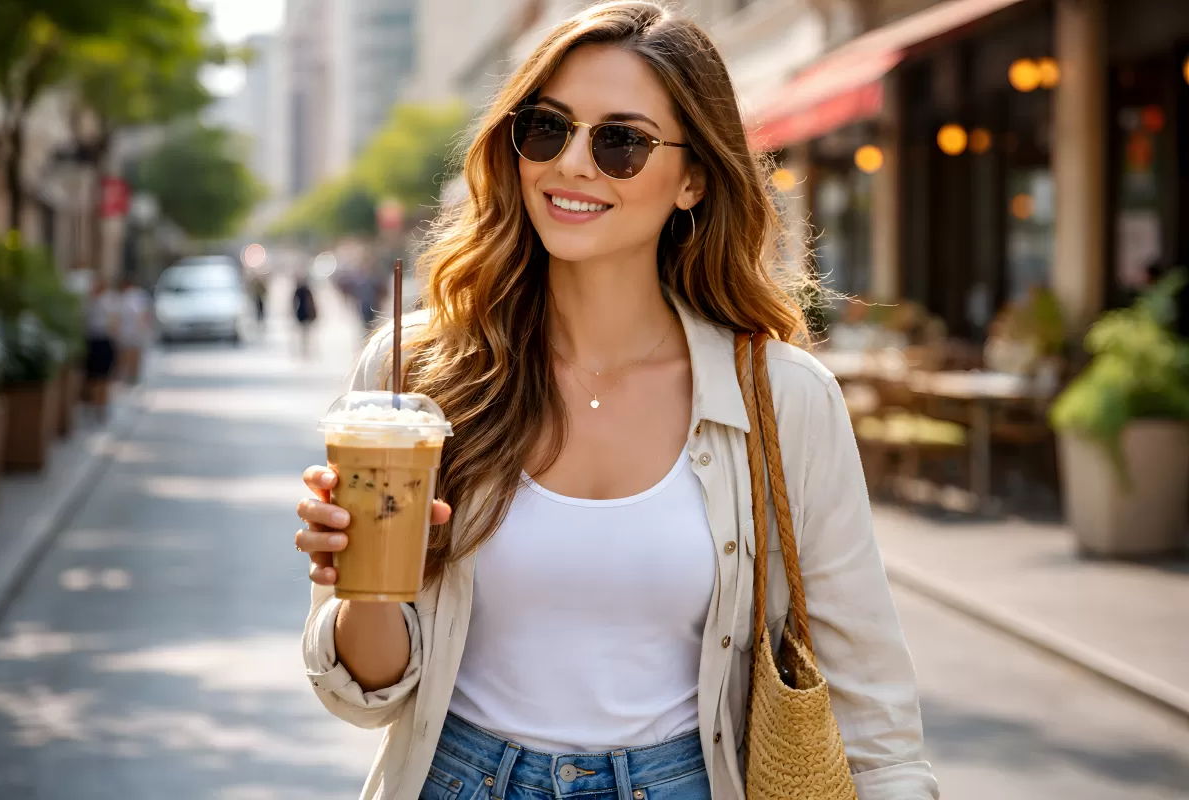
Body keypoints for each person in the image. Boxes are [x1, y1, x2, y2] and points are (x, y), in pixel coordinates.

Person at [296, 4, 939, 800]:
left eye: (621, 141)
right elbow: (365, 692)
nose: (572, 163)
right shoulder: (416, 375)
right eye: (547, 128)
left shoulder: (782, 398)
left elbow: (873, 709)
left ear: (693, 178)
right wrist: (367, 583)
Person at [82, 276, 118, 422]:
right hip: (94, 341)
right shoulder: (91, 303)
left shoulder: (105, 302)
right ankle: (97, 405)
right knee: (95, 376)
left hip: (102, 340)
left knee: (101, 376)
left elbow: (113, 323)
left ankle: (100, 405)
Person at [115, 277, 150, 384]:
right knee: (129, 354)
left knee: (131, 353)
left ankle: (132, 375)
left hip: (132, 330)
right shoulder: (128, 296)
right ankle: (131, 375)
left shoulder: (132, 296)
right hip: (129, 330)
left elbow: (140, 314)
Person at [292, 272, 317, 357]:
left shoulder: (302, 290)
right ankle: (305, 346)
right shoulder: (301, 290)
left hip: (303, 313)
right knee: (305, 331)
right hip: (303, 313)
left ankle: (305, 346)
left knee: (305, 331)